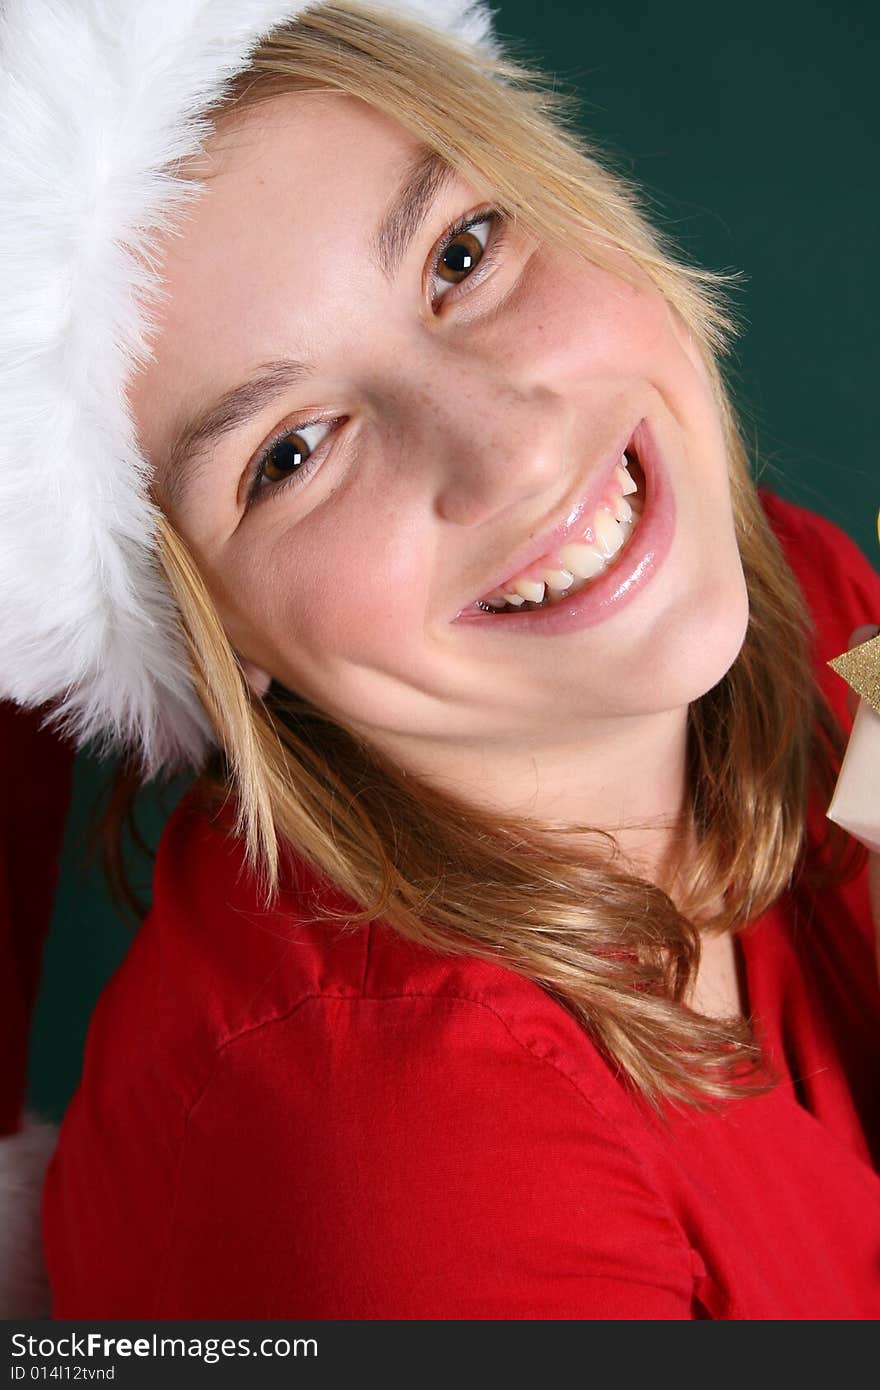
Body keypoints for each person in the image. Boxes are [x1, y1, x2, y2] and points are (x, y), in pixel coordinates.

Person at [1, 0, 878, 1319]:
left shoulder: (792, 589)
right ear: (211, 636)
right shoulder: (401, 1172)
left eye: (462, 253)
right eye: (290, 455)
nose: (510, 445)